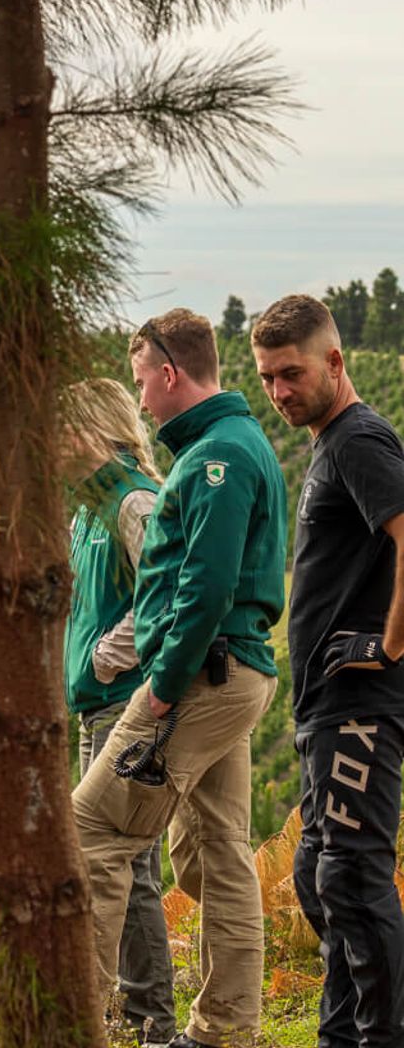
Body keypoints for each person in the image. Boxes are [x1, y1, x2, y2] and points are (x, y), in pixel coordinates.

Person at [73, 307, 286, 1048]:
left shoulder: (217, 457)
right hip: (231, 675)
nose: (139, 401)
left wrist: (161, 686)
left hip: (199, 679)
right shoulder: (230, 443)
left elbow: (207, 586)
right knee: (216, 852)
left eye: (140, 383)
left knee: (92, 832)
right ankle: (223, 1028)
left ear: (169, 373)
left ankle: (73, 1023)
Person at [252, 294, 404, 1048]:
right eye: (267, 377)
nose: (279, 391)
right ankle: (341, 1035)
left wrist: (388, 648)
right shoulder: (332, 444)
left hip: (361, 704)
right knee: (323, 876)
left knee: (350, 877)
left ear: (335, 362)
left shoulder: (358, 441)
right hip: (327, 707)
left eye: (292, 373)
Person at [60, 378, 174, 1047]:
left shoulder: (133, 500)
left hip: (123, 704)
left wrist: (105, 658)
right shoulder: (88, 508)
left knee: (125, 866)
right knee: (119, 864)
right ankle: (140, 1017)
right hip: (97, 706)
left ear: (93, 429)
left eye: (62, 427)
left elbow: (167, 594)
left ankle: (149, 1022)